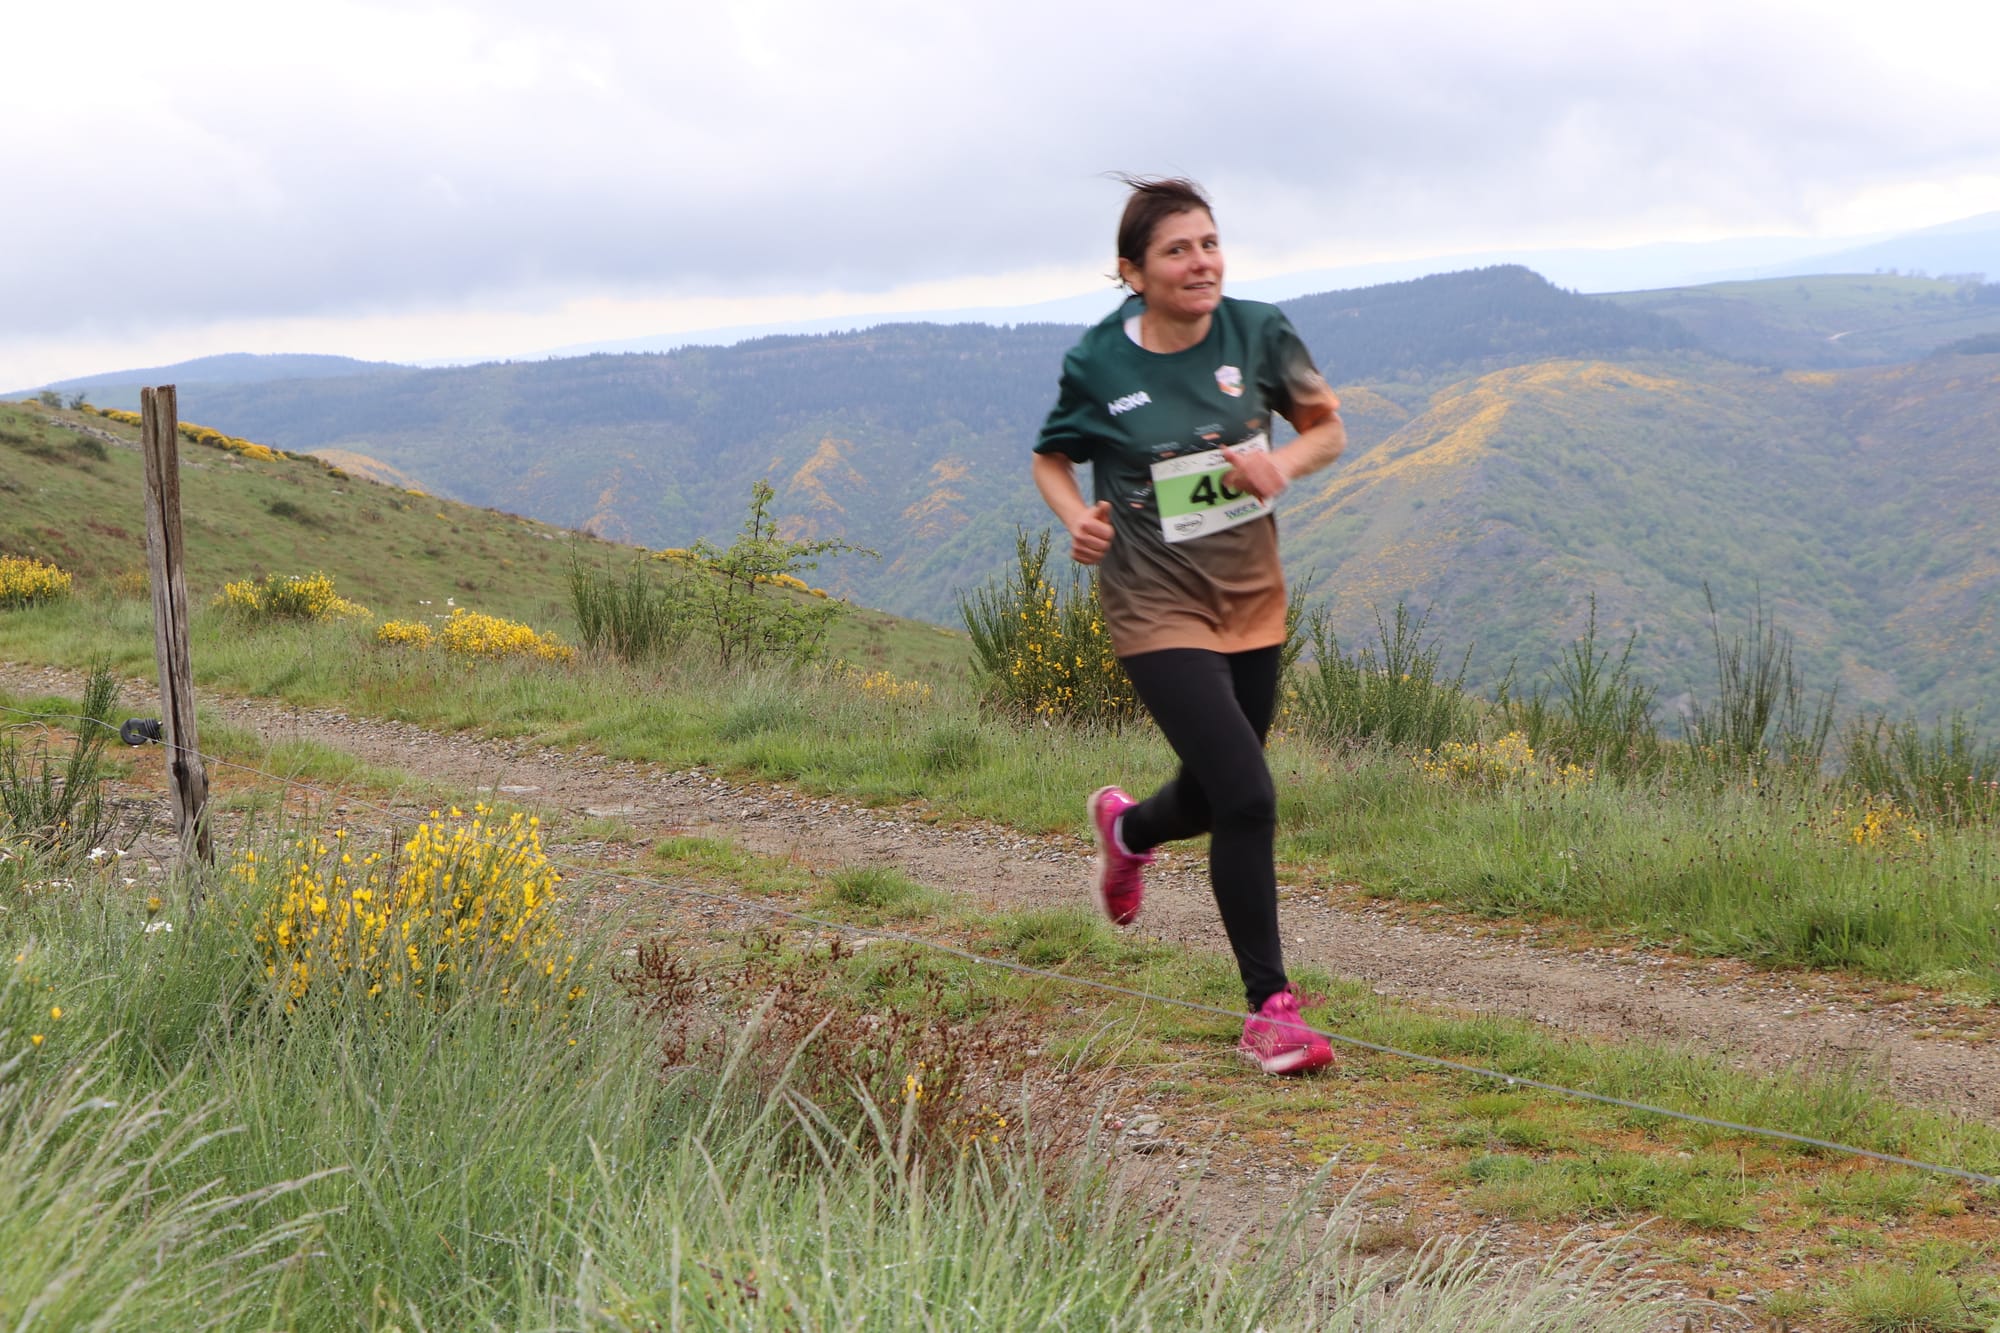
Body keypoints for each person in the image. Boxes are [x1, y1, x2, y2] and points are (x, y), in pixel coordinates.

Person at [1031, 176, 1346, 1076]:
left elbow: (1327, 428)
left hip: (1252, 597)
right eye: (1177, 249)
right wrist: (1074, 518)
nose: (1201, 261)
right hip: (1151, 603)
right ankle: (1270, 1012)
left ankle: (1127, 834)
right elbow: (1053, 459)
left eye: (1209, 243)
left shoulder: (1260, 331)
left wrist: (1279, 463)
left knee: (1213, 794)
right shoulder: (1100, 362)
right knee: (1247, 796)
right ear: (1133, 271)